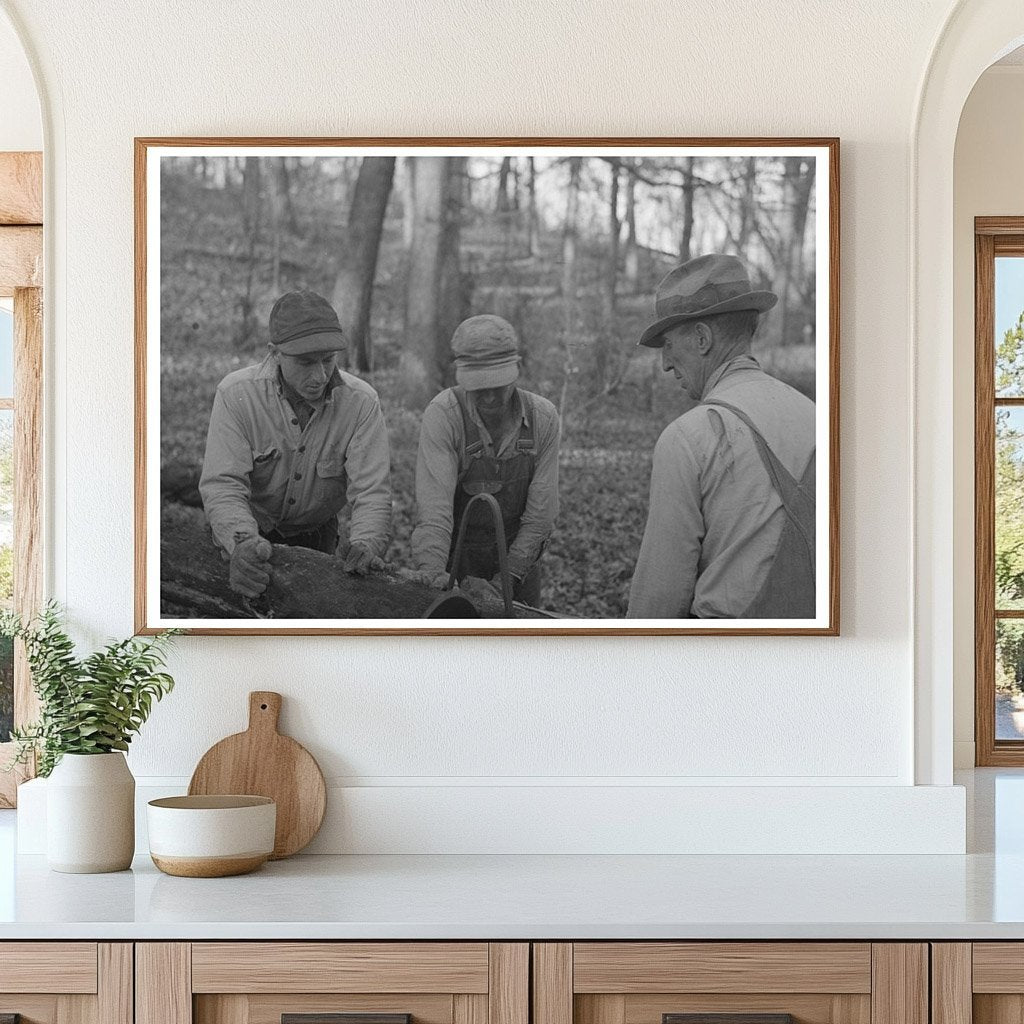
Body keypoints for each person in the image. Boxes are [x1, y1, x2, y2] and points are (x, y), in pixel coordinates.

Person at [627, 254, 816, 619]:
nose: (665, 363)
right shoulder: (813, 413)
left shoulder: (688, 437)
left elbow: (660, 595)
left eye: (668, 345)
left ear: (701, 339)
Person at [199, 289, 392, 599]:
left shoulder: (361, 403)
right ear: (275, 353)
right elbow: (223, 485)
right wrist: (242, 544)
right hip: (248, 528)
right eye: (305, 362)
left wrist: (366, 544)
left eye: (328, 360)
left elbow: (371, 491)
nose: (319, 375)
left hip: (318, 536)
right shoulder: (236, 394)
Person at [410, 315, 560, 607]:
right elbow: (434, 510)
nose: (490, 397)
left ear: (517, 371)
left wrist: (506, 579)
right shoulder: (445, 414)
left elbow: (541, 515)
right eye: (479, 387)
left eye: (499, 385)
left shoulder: (543, 418)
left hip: (519, 559)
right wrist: (431, 573)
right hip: (455, 558)